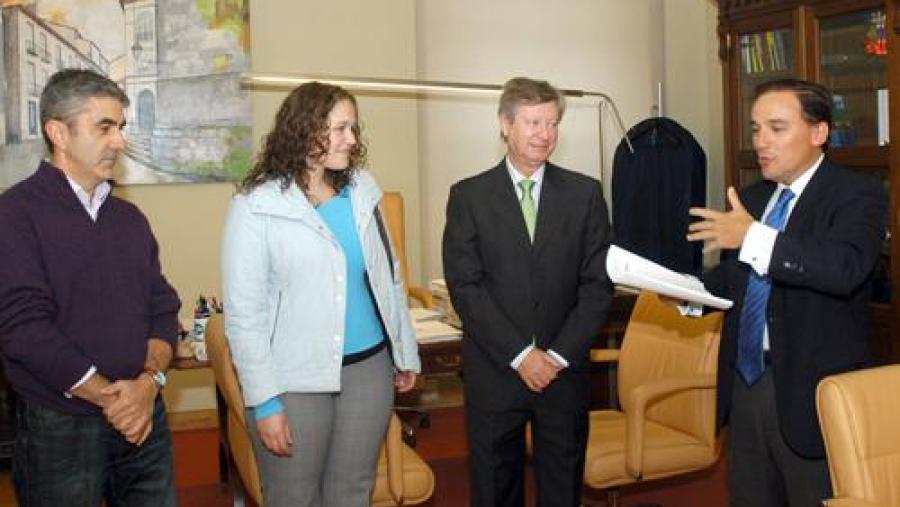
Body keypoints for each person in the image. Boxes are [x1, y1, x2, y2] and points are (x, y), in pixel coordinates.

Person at [687, 78, 887, 506]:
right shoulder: (752, 198)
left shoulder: (857, 194)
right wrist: (685, 293)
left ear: (819, 134)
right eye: (756, 129)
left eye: (776, 128)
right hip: (747, 382)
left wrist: (754, 237)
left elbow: (843, 268)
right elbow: (734, 280)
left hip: (814, 390)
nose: (761, 142)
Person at [221, 81, 421, 507]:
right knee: (294, 497)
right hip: (293, 380)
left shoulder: (362, 188)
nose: (352, 139)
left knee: (352, 492)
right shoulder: (256, 206)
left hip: (368, 371)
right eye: (340, 128)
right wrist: (266, 402)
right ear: (304, 130)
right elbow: (244, 317)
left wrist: (404, 352)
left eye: (354, 128)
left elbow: (390, 275)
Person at [0, 69, 181, 506]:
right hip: (60, 429)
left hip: (145, 418)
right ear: (58, 133)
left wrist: (147, 385)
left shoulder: (130, 219)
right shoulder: (14, 214)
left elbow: (162, 307)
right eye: (104, 127)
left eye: (119, 127)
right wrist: (114, 399)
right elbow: (23, 327)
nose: (119, 141)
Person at [442, 77, 613, 507]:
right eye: (534, 122)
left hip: (564, 373)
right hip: (497, 373)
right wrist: (522, 355)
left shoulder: (585, 194)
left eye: (552, 123)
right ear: (505, 125)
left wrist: (555, 356)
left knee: (562, 488)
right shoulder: (469, 196)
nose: (545, 134)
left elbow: (597, 285)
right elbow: (467, 287)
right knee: (496, 489)